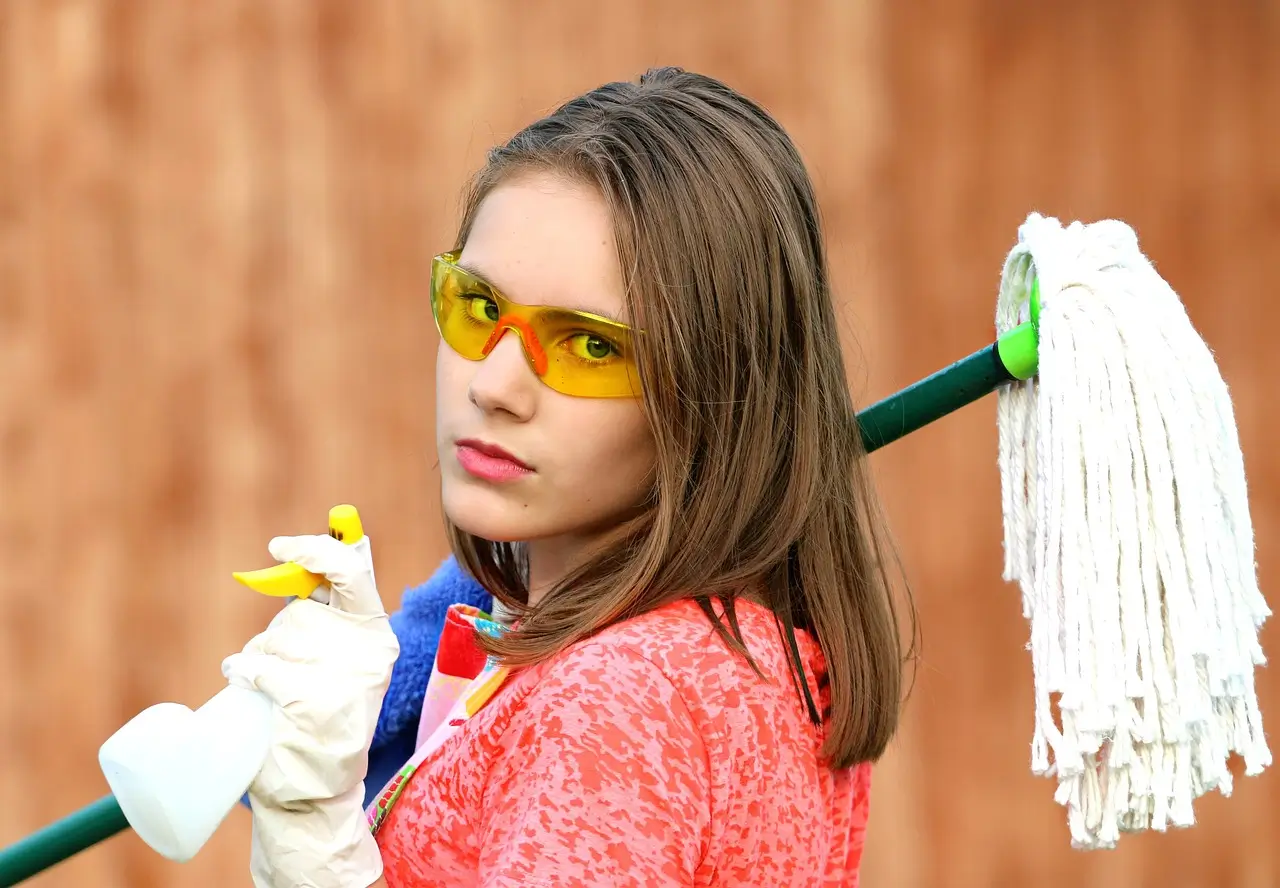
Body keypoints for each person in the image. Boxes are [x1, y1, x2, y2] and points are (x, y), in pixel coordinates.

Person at [222, 66, 915, 888]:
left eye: (590, 345)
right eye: (480, 307)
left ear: (716, 393)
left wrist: (316, 850)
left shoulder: (620, 704)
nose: (493, 385)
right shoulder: (746, 655)